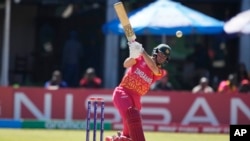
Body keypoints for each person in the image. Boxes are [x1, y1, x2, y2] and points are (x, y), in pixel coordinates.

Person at [106, 41, 171, 141]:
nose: (162, 57)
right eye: (161, 54)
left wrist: (142, 51)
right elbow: (125, 64)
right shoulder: (140, 58)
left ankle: (114, 139)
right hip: (122, 92)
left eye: (164, 57)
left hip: (136, 99)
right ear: (156, 52)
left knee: (129, 132)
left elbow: (153, 67)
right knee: (131, 115)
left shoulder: (161, 72)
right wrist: (133, 56)